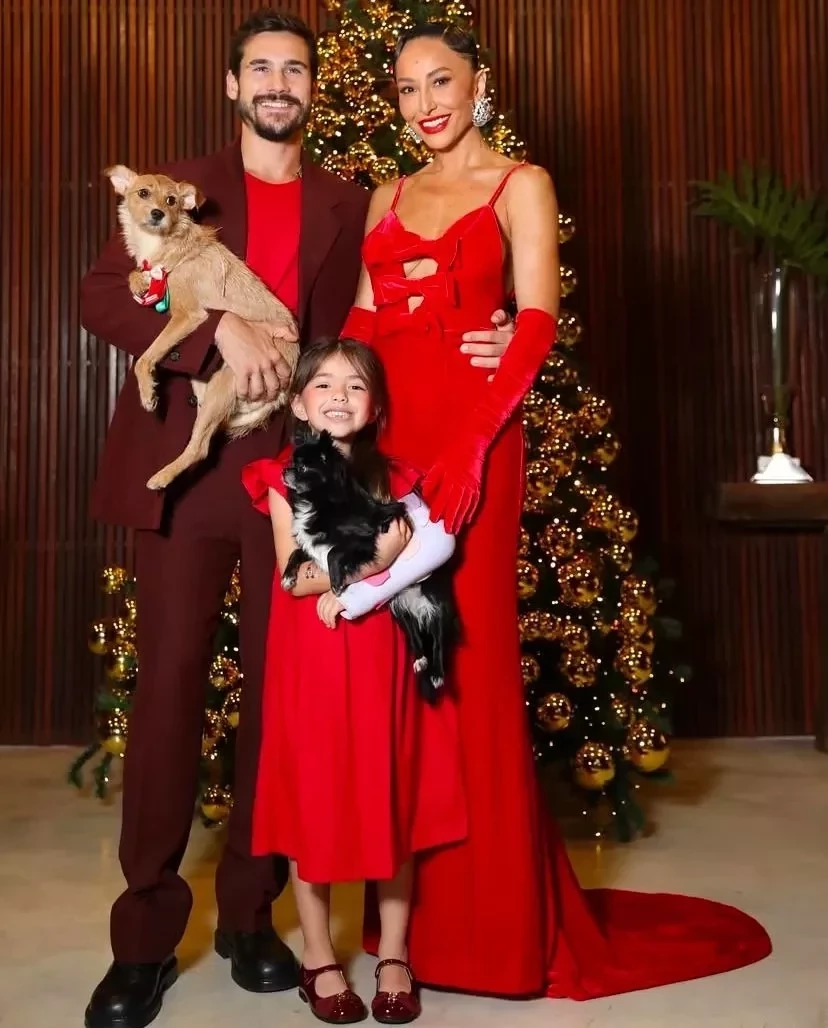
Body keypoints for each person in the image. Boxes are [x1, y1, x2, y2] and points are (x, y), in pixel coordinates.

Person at [79, 10, 514, 1028]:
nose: (279, 82)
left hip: (301, 486)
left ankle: (250, 917)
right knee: (168, 693)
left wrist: (489, 327)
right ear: (234, 86)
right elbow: (104, 297)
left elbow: (384, 315)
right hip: (187, 475)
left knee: (286, 707)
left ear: (313, 89)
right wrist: (214, 332)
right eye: (261, 68)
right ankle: (143, 940)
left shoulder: (348, 202)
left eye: (296, 69)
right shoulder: (176, 188)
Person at [340, 20, 773, 1001]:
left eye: (440, 81)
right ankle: (407, 928)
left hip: (478, 444)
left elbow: (535, 318)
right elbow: (362, 320)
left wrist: (469, 448)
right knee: (403, 676)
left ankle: (495, 934)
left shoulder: (519, 183)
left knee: (472, 667)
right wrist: (333, 434)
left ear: (477, 83)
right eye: (406, 89)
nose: (424, 104)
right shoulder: (386, 195)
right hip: (391, 445)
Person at [242, 337, 466, 1024]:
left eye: (356, 386)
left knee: (387, 790)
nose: (339, 396)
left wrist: (382, 566)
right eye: (324, 385)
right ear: (298, 403)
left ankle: (394, 952)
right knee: (314, 796)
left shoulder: (396, 478)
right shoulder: (283, 478)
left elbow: (430, 552)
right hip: (312, 654)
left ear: (375, 408)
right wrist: (373, 557)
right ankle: (318, 955)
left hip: (381, 656)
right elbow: (295, 577)